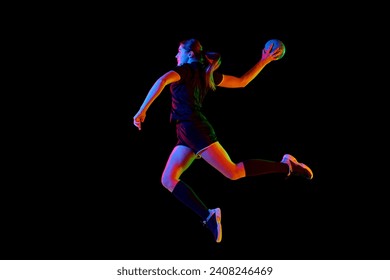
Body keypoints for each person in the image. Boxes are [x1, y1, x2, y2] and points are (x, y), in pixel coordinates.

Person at [133, 38, 313, 243]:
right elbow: (242, 81)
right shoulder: (205, 74)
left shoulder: (186, 71)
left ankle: (286, 166)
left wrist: (141, 111)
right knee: (168, 179)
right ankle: (209, 216)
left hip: (194, 129)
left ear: (190, 54)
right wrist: (263, 61)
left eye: (178, 51)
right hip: (186, 132)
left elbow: (162, 80)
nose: (175, 56)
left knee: (233, 172)